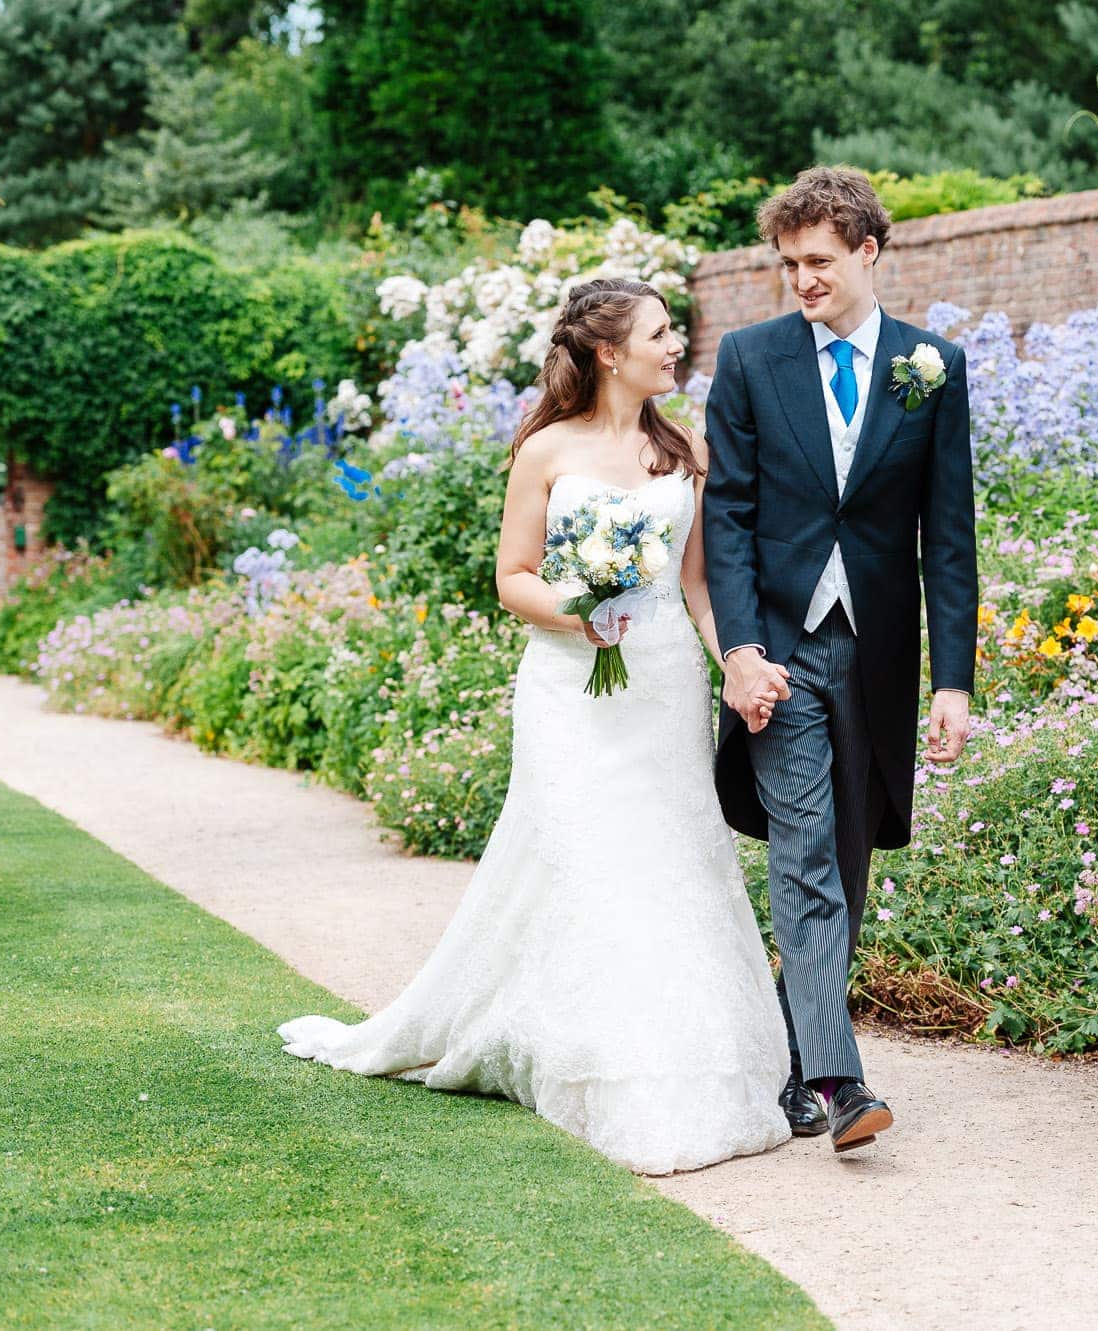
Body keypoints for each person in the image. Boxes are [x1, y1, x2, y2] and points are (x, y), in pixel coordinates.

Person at [279, 278, 792, 1176]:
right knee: (592, 859)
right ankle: (599, 1059)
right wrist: (578, 609)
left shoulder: (689, 452)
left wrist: (736, 667)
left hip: (664, 683)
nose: (678, 348)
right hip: (569, 689)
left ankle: (684, 1055)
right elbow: (512, 575)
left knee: (670, 859)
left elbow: (701, 585)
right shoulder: (545, 452)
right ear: (608, 353)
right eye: (661, 334)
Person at [703, 167, 977, 1152]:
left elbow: (946, 537)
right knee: (806, 854)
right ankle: (840, 1080)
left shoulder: (930, 366)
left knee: (848, 859)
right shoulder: (747, 359)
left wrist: (952, 679)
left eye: (818, 261)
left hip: (873, 654)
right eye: (788, 264)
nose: (801, 280)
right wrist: (736, 650)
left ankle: (788, 1065)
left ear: (866, 251)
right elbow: (724, 515)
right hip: (776, 650)